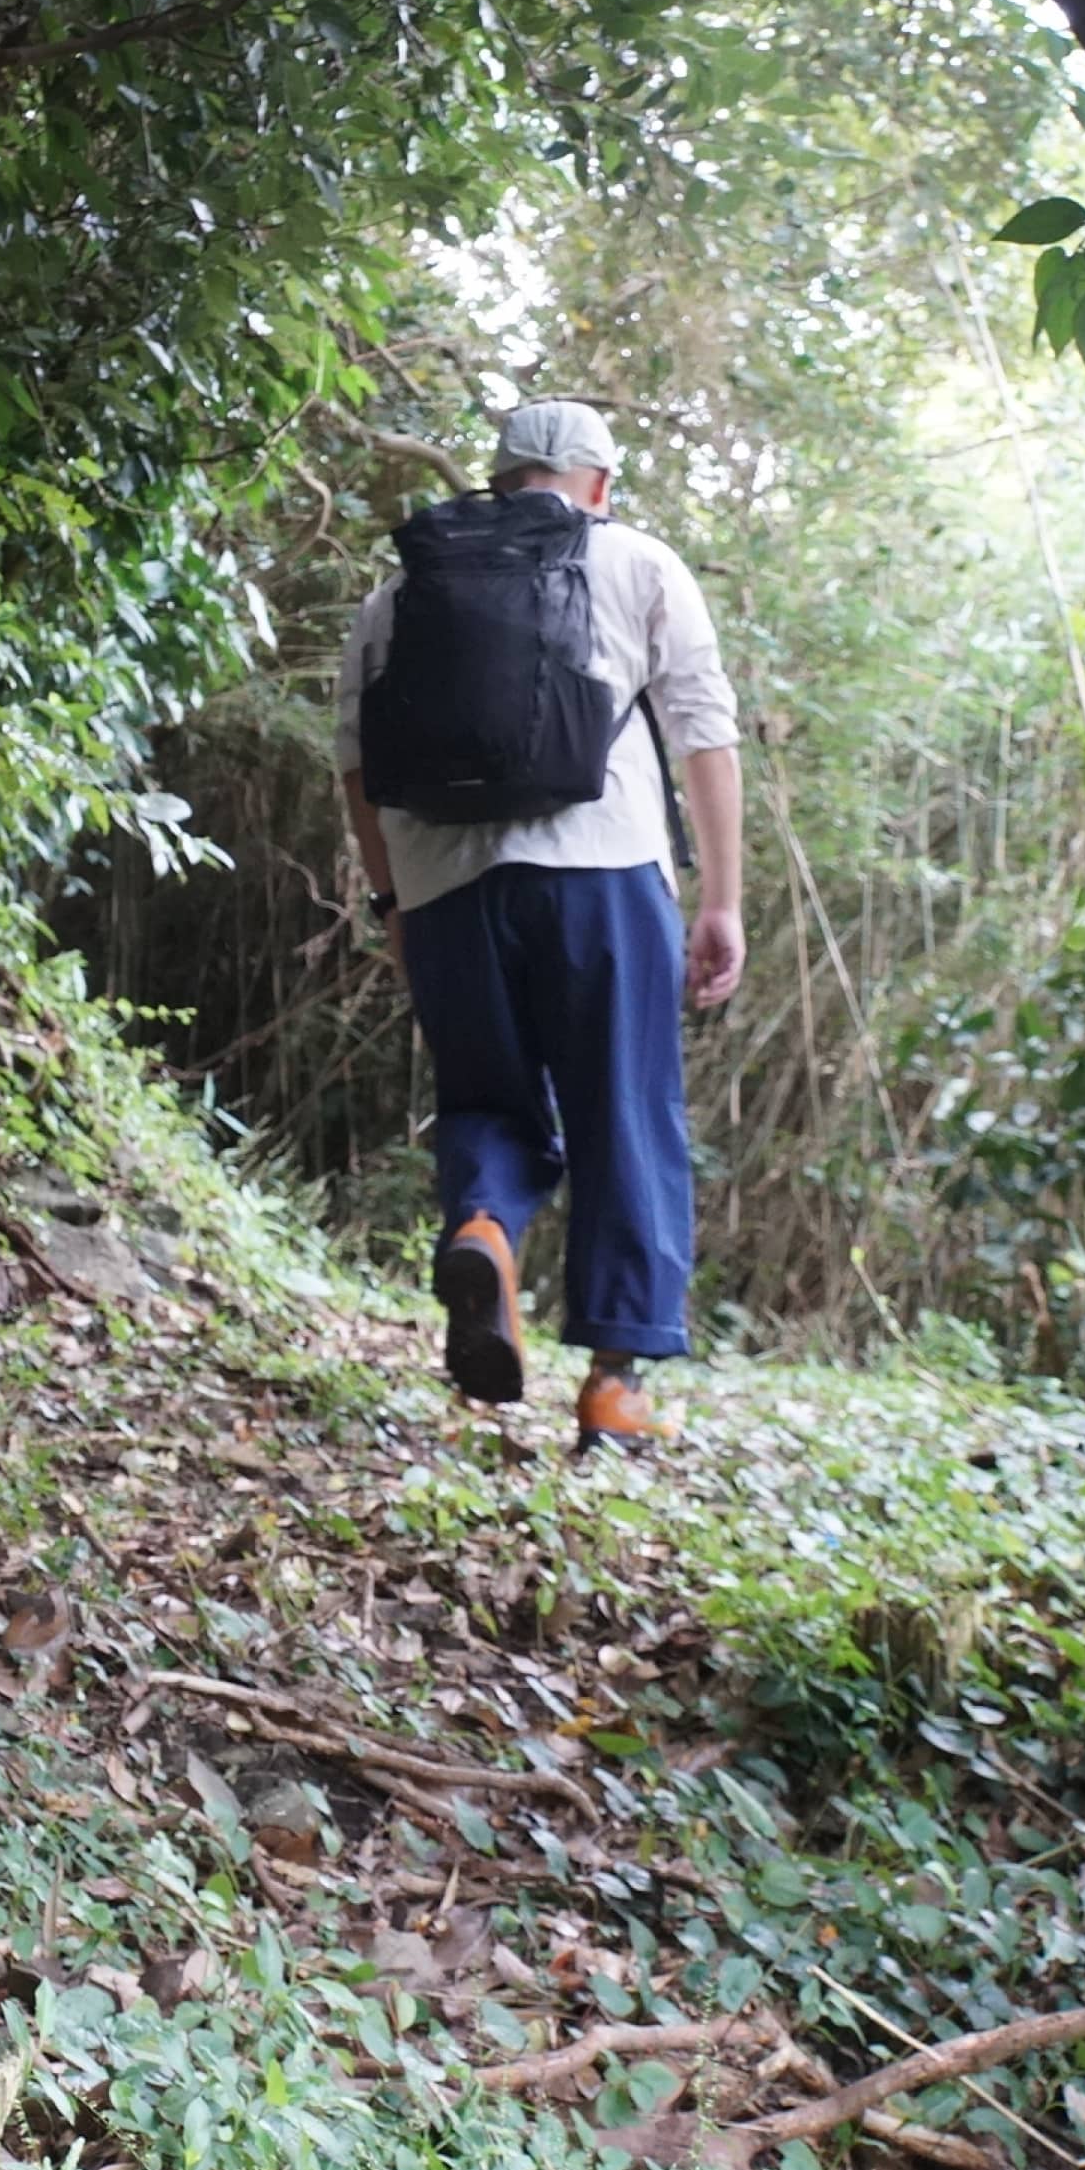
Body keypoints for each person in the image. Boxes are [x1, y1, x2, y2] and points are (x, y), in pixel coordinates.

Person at [337, 400, 745, 1453]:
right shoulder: (642, 563)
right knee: (626, 1109)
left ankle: (483, 1227)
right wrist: (721, 900)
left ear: (499, 476)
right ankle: (614, 1383)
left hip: (446, 889)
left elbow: (355, 764)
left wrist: (393, 902)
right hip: (604, 874)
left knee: (485, 1095)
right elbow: (703, 733)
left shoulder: (403, 589)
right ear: (600, 484)